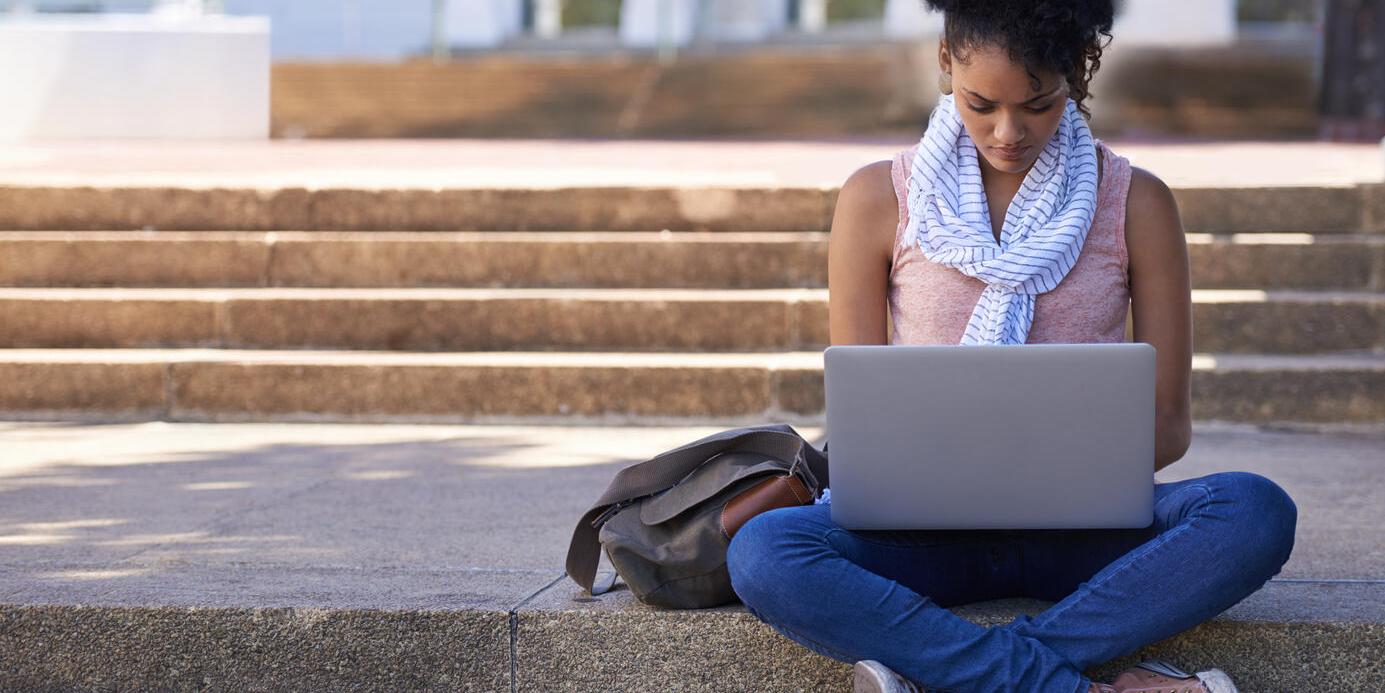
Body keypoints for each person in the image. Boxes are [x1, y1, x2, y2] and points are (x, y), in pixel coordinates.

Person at [724, 2, 1299, 692]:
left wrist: (1051, 467)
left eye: (1037, 105)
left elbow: (1168, 426)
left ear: (1078, 74)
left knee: (1253, 510)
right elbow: (859, 422)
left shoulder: (1137, 204)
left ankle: (948, 671)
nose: (1006, 131)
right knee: (763, 550)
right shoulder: (877, 198)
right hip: (922, 534)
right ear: (944, 59)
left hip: (1083, 533)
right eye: (980, 103)